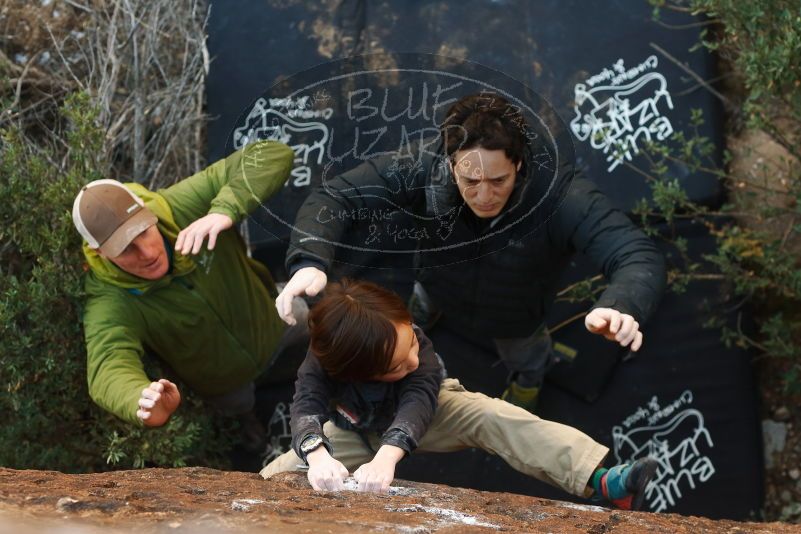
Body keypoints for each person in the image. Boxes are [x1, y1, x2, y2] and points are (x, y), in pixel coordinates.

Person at [274, 92, 667, 411]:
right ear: (450, 162)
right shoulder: (423, 166)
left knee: (528, 359)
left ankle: (527, 386)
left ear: (519, 163)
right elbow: (335, 196)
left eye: (498, 180)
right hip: (436, 282)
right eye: (470, 179)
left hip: (516, 312)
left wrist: (622, 304)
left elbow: (635, 253)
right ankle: (424, 339)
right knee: (418, 316)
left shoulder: (561, 195)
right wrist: (309, 259)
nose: (483, 195)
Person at [261, 279, 658, 510]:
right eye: (395, 365)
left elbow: (417, 399)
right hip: (356, 428)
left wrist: (387, 456)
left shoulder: (417, 352)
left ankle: (603, 479)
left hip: (430, 411)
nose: (412, 360)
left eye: (411, 345)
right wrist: (316, 454)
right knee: (276, 475)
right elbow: (306, 406)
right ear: (354, 370)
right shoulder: (323, 360)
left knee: (491, 415)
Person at [72, 140, 303, 450]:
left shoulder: (180, 206)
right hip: (225, 381)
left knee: (311, 325)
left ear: (146, 211)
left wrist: (224, 210)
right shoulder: (109, 298)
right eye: (126, 249)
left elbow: (273, 154)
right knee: (239, 404)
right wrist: (139, 398)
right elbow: (108, 365)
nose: (147, 252)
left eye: (143, 230)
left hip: (272, 318)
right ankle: (250, 424)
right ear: (99, 252)